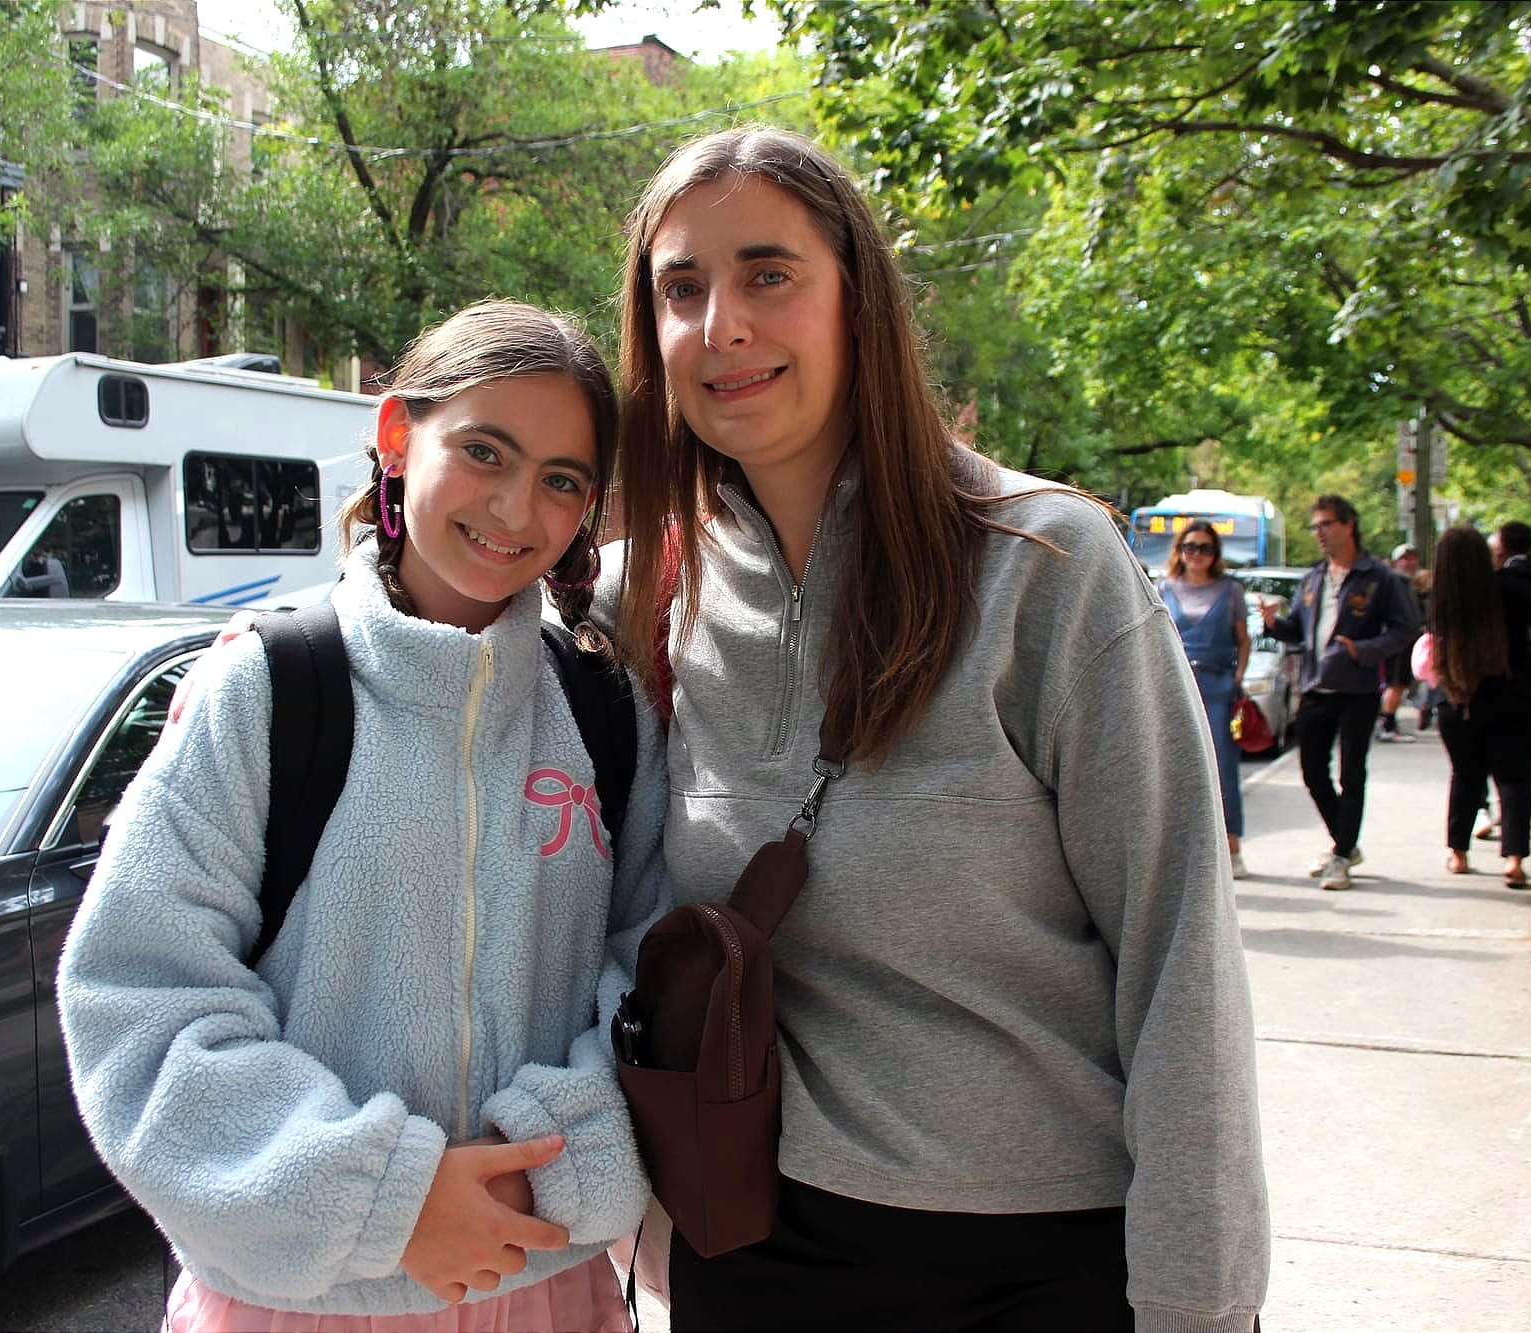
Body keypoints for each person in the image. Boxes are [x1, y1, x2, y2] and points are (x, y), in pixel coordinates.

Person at [607, 127, 1267, 1332]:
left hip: (1037, 1265)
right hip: (747, 1246)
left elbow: (1179, 955)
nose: (721, 327)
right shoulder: (642, 589)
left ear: (857, 297)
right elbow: (454, 618)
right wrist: (302, 641)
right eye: (680, 288)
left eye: (768, 274)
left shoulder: (1046, 568)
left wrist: (1200, 1300)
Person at [57, 302, 671, 1333]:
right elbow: (138, 1003)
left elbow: (654, 977)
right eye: (483, 451)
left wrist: (542, 1167)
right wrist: (387, 1199)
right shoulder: (266, 688)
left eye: (562, 479)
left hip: (547, 1291)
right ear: (394, 436)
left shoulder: (604, 711)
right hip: (295, 1304)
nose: (516, 508)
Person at [1259, 495, 1418, 890]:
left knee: (1352, 773)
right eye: (1315, 527)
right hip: (1316, 687)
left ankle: (1342, 855)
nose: (1319, 534)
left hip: (1358, 688)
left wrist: (1361, 651)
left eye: (1325, 524)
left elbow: (1405, 631)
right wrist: (1274, 624)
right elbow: (1298, 629)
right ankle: (1344, 843)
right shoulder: (1313, 578)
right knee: (1312, 771)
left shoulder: (1378, 577)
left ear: (1349, 525)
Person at [1428, 525, 1531, 887]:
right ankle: (1514, 859)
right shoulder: (1511, 588)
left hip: (1459, 696)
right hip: (1513, 690)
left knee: (1465, 775)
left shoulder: (1441, 599)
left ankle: (1458, 851)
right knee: (1514, 776)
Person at [1158, 520, 1252, 878]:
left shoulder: (1231, 590)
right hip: (1177, 683)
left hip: (1217, 684)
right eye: (1190, 547)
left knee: (1223, 765)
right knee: (1177, 765)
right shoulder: (1164, 588)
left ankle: (1232, 844)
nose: (1197, 554)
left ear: (1215, 554)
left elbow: (1244, 639)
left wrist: (1238, 677)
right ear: (1180, 551)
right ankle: (1184, 849)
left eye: (1205, 548)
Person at [1376, 542, 1423, 742]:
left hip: (1405, 639)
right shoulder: (1393, 581)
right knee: (1396, 683)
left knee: (1399, 684)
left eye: (1412, 558)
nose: (1410, 562)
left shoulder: (1407, 582)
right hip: (1397, 640)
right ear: (1397, 561)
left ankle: (1389, 723)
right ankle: (1386, 726)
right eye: (1405, 558)